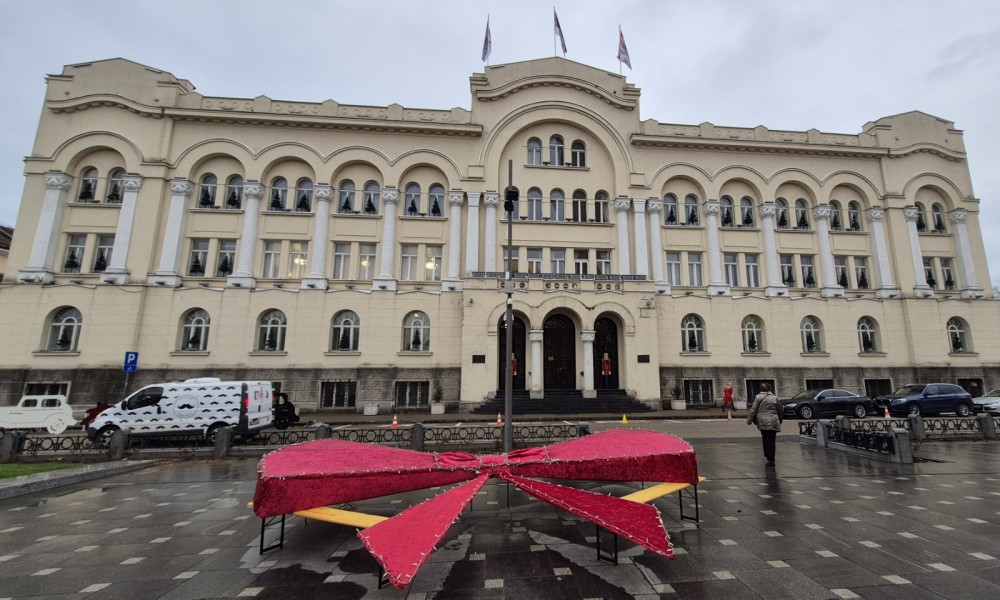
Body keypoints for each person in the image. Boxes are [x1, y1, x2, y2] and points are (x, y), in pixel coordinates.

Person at [747, 383, 782, 466]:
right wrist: (779, 420)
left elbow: (753, 410)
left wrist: (749, 420)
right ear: (770, 389)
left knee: (765, 438)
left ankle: (767, 455)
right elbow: (780, 410)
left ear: (760, 389)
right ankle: (771, 458)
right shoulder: (774, 398)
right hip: (773, 421)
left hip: (762, 420)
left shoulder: (758, 397)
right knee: (772, 440)